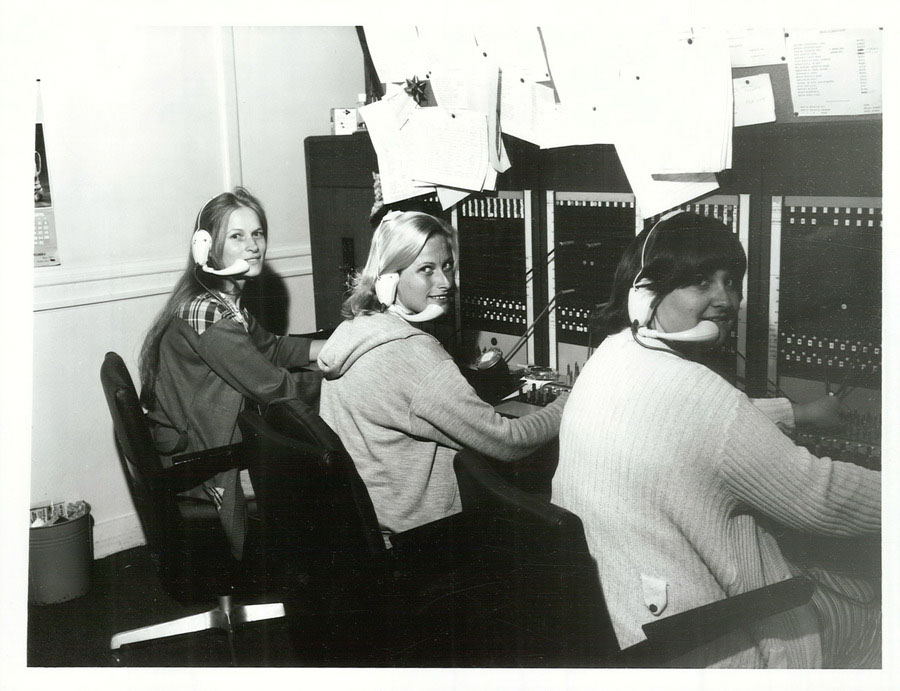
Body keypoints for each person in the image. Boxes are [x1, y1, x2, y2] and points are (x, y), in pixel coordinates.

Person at [552, 211, 880, 668]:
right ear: (645, 293)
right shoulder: (700, 394)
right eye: (701, 283)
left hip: (625, 622)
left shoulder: (610, 358)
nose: (725, 300)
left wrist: (794, 412)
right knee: (875, 603)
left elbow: (680, 429)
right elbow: (818, 497)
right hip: (710, 647)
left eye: (731, 282)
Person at [317, 210, 566, 540]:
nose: (446, 282)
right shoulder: (414, 354)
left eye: (447, 266)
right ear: (389, 279)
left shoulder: (353, 331)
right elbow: (509, 442)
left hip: (372, 535)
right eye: (426, 270)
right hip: (427, 541)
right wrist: (569, 403)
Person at [139, 187, 325, 559]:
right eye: (237, 237)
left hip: (201, 442)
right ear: (207, 248)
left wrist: (335, 346)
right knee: (327, 466)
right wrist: (343, 378)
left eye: (257, 234)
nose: (253, 246)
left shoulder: (219, 300)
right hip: (207, 460)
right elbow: (273, 388)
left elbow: (269, 347)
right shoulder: (211, 317)